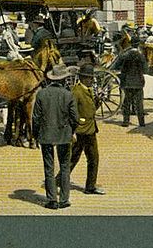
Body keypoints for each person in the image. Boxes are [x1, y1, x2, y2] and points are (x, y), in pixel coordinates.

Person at [32, 64, 79, 210]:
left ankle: (51, 200)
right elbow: (75, 118)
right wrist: (72, 131)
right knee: (64, 167)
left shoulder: (41, 94)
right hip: (64, 134)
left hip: (45, 134)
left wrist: (35, 135)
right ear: (64, 79)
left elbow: (35, 118)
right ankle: (64, 199)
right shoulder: (68, 95)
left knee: (49, 167)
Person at [69, 63, 105, 195]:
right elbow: (71, 112)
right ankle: (90, 187)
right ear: (84, 78)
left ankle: (59, 179)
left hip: (88, 129)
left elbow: (90, 109)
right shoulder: (76, 92)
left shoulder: (87, 90)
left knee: (75, 156)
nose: (92, 80)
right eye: (90, 78)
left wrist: (98, 100)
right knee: (93, 158)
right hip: (84, 130)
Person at [111, 35, 148, 127]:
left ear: (131, 44)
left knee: (126, 102)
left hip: (127, 82)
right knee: (139, 103)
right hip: (139, 82)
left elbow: (115, 66)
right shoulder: (141, 56)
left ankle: (126, 122)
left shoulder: (124, 55)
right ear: (138, 45)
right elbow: (146, 70)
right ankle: (141, 122)